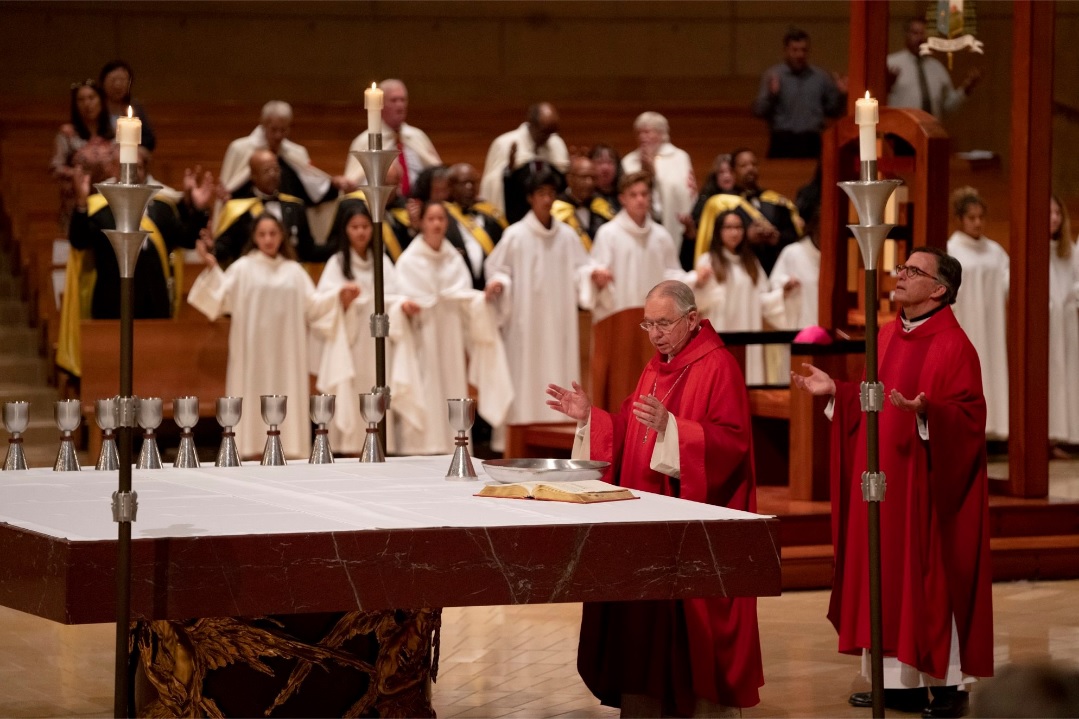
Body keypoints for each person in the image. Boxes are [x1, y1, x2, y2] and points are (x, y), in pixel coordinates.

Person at [791, 246, 994, 719]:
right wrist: (837, 393)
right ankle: (898, 684)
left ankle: (946, 687)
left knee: (929, 580)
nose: (899, 276)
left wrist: (930, 413)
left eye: (913, 271)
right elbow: (870, 399)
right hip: (883, 486)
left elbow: (970, 418)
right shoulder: (884, 336)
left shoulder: (955, 346)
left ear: (939, 289)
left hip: (924, 490)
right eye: (901, 268)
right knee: (883, 575)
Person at [546, 279, 763, 717]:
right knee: (644, 621)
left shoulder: (718, 367)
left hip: (692, 529)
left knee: (686, 625)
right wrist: (592, 417)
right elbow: (630, 428)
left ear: (692, 319)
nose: (655, 334)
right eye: (649, 324)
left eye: (664, 323)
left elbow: (733, 445)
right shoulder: (656, 366)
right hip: (648, 521)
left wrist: (676, 431)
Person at [189, 214, 345, 460]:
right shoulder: (242, 268)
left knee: (288, 397)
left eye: (273, 233)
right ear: (254, 237)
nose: (268, 239)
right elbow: (219, 299)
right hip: (253, 354)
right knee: (251, 396)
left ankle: (290, 448)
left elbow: (314, 307)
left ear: (282, 236)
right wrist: (211, 267)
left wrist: (339, 298)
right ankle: (250, 449)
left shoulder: (294, 271)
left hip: (287, 354)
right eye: (262, 234)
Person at [390, 201, 512, 455]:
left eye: (441, 219)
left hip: (451, 339)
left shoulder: (454, 260)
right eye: (431, 219)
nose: (436, 224)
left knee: (451, 390)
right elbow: (393, 300)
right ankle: (419, 449)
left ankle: (453, 447)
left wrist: (483, 297)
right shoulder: (409, 261)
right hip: (422, 338)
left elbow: (466, 299)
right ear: (422, 222)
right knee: (424, 388)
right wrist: (405, 306)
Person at [485, 167, 592, 435]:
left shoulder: (567, 236)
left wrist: (593, 276)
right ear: (531, 198)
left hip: (559, 321)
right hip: (525, 323)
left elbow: (583, 270)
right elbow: (498, 268)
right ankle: (521, 433)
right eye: (541, 194)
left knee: (560, 370)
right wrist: (499, 282)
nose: (547, 199)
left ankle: (560, 431)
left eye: (551, 194)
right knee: (526, 377)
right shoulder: (516, 235)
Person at [313, 202, 398, 455]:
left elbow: (395, 296)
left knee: (377, 385)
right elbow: (320, 304)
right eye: (354, 227)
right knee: (350, 390)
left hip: (376, 343)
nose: (361, 232)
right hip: (349, 341)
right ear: (345, 230)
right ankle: (349, 447)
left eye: (364, 226)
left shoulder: (382, 261)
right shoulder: (337, 263)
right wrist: (342, 299)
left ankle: (380, 444)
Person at [587, 171, 691, 325]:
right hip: (616, 318)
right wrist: (599, 279)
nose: (640, 199)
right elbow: (597, 273)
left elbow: (672, 277)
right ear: (622, 199)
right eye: (633, 195)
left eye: (644, 194)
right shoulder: (608, 233)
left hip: (654, 323)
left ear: (650, 197)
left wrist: (695, 280)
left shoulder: (661, 236)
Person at [946, 188, 1009, 441]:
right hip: (966, 324)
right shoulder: (952, 249)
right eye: (971, 217)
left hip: (992, 326)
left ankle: (993, 432)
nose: (978, 222)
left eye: (981, 217)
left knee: (991, 371)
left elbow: (1008, 281)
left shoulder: (994, 251)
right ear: (961, 219)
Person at [695, 210, 782, 385]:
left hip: (748, 330)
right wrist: (699, 282)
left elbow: (763, 300)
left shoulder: (751, 263)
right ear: (719, 231)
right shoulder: (708, 261)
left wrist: (784, 294)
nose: (734, 232)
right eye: (728, 227)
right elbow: (697, 302)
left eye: (738, 227)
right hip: (720, 332)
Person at [219, 100, 352, 207]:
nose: (278, 136)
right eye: (274, 129)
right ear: (263, 124)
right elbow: (230, 191)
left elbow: (308, 192)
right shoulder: (240, 149)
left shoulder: (296, 153)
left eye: (283, 130)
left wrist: (333, 186)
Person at [213, 149, 330, 267]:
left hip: (287, 277)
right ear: (254, 176)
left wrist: (338, 247)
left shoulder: (295, 206)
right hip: (250, 277)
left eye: (276, 169)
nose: (273, 174)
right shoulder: (238, 209)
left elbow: (308, 250)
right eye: (266, 171)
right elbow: (225, 251)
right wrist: (210, 247)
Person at [698, 148, 803, 276]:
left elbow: (792, 238)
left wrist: (777, 239)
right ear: (733, 171)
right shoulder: (720, 204)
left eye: (753, 164)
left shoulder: (774, 201)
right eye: (743, 165)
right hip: (735, 272)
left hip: (774, 272)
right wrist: (747, 237)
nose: (750, 168)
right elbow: (712, 243)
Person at [752, 27, 848, 158]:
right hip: (782, 141)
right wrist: (771, 95)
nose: (800, 55)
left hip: (812, 141)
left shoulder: (820, 77)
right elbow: (759, 111)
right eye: (795, 50)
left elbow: (834, 111)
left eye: (804, 50)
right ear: (786, 51)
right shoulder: (774, 76)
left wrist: (842, 94)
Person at [343, 79, 442, 195]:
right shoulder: (365, 140)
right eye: (394, 100)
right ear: (381, 104)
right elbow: (353, 180)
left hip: (417, 201)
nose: (399, 105)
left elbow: (437, 171)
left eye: (403, 100)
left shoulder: (417, 136)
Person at [621, 112, 696, 259]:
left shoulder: (679, 157)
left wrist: (655, 177)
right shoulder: (629, 161)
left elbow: (682, 191)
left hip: (668, 220)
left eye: (648, 132)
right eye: (639, 132)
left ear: (662, 134)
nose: (643, 137)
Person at [479, 102, 570, 220]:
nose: (547, 137)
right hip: (514, 215)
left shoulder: (556, 143)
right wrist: (508, 172)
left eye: (551, 133)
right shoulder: (504, 143)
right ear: (532, 123)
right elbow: (490, 185)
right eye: (544, 132)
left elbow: (562, 184)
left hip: (550, 217)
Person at [765, 200, 822, 379]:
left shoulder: (839, 255)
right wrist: (785, 287)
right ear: (813, 227)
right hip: (799, 331)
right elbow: (772, 288)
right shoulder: (793, 253)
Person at [50, 80, 114, 229]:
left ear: (101, 101)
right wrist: (78, 175)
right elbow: (55, 168)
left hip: (107, 203)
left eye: (91, 98)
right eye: (81, 99)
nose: (87, 104)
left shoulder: (115, 134)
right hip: (77, 203)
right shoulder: (67, 134)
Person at [887, 18, 980, 119]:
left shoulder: (937, 68)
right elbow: (874, 101)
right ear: (906, 35)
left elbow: (948, 108)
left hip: (931, 131)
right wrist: (886, 85)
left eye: (923, 33)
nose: (920, 38)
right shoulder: (891, 63)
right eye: (915, 33)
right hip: (900, 130)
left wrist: (966, 89)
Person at [1049, 195, 1079, 457]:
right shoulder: (1032, 247)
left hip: (1066, 322)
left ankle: (1067, 436)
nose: (1055, 218)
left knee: (1067, 376)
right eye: (1049, 213)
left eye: (1058, 212)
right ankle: (1048, 437)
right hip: (1044, 325)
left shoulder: (1068, 249)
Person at [445, 163, 507, 290]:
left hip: (490, 289)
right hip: (456, 288)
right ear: (451, 186)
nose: (470, 187)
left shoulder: (491, 215)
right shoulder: (443, 217)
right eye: (464, 183)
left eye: (473, 182)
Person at [552, 156, 614, 251]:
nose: (589, 183)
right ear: (569, 179)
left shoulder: (601, 205)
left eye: (593, 178)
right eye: (584, 177)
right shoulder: (556, 209)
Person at [98, 60, 156, 151]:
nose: (118, 85)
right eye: (113, 80)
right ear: (103, 82)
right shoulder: (97, 107)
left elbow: (149, 139)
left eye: (122, 80)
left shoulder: (135, 107)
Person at [590, 144, 623, 212]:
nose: (605, 168)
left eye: (610, 162)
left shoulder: (624, 195)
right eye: (600, 162)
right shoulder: (585, 197)